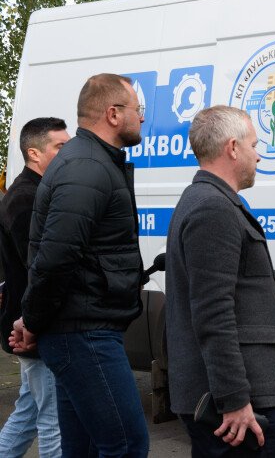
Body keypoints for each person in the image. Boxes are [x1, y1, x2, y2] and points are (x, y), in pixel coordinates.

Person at [166, 106, 275, 457]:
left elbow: (234, 283)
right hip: (236, 402)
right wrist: (234, 400)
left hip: (234, 394)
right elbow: (213, 313)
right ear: (232, 148)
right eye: (254, 145)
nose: (258, 155)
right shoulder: (213, 208)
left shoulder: (208, 199)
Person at [12, 74, 149, 457]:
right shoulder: (87, 167)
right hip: (84, 334)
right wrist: (32, 321)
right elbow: (55, 259)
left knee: (82, 448)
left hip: (80, 330)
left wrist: (33, 320)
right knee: (127, 444)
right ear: (113, 114)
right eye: (138, 109)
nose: (142, 118)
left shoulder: (90, 162)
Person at [0, 117, 69, 458]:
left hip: (30, 323)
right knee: (53, 421)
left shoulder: (34, 192)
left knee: (28, 412)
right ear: (34, 153)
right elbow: (38, 270)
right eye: (60, 146)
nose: (68, 153)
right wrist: (35, 322)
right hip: (32, 327)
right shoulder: (26, 199)